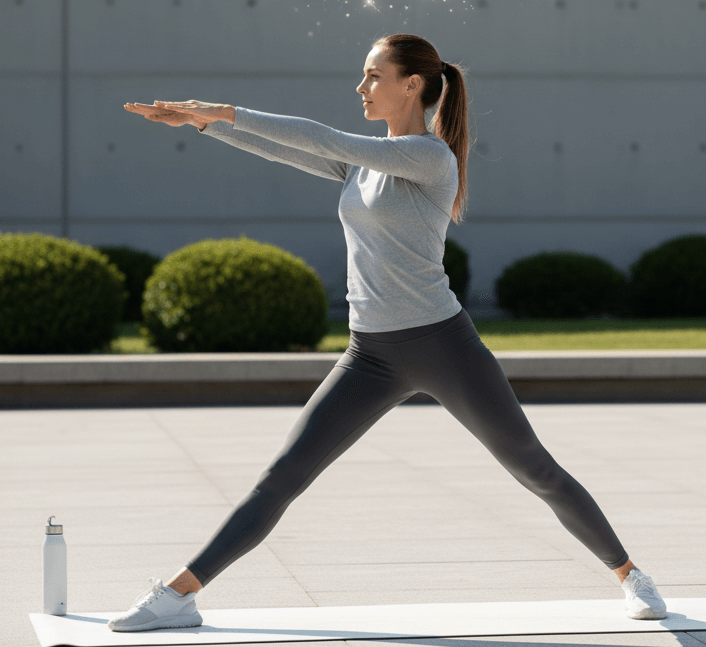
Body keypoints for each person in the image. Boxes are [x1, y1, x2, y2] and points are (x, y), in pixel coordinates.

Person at [112, 33, 666, 633]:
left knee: (533, 467)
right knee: (282, 476)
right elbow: (289, 150)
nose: (361, 87)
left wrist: (220, 109)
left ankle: (631, 574)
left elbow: (320, 137)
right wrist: (201, 123)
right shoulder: (364, 163)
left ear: (414, 85)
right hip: (368, 354)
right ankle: (179, 595)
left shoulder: (431, 158)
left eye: (374, 75)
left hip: (441, 345)